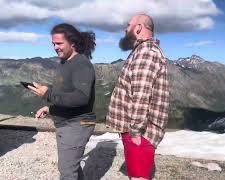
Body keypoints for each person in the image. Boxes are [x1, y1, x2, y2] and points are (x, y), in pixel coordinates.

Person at [28, 23, 96, 180]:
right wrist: (50, 108)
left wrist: (48, 94)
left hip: (77, 124)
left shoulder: (81, 64)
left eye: (59, 43)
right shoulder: (64, 63)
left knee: (67, 171)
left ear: (72, 42)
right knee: (70, 166)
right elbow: (64, 93)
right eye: (53, 43)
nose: (55, 47)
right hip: (66, 123)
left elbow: (81, 97)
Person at [106, 14, 169, 180]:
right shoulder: (143, 51)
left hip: (139, 132)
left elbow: (140, 96)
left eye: (128, 25)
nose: (125, 29)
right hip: (138, 131)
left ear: (139, 27)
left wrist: (134, 133)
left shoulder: (146, 53)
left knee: (138, 178)